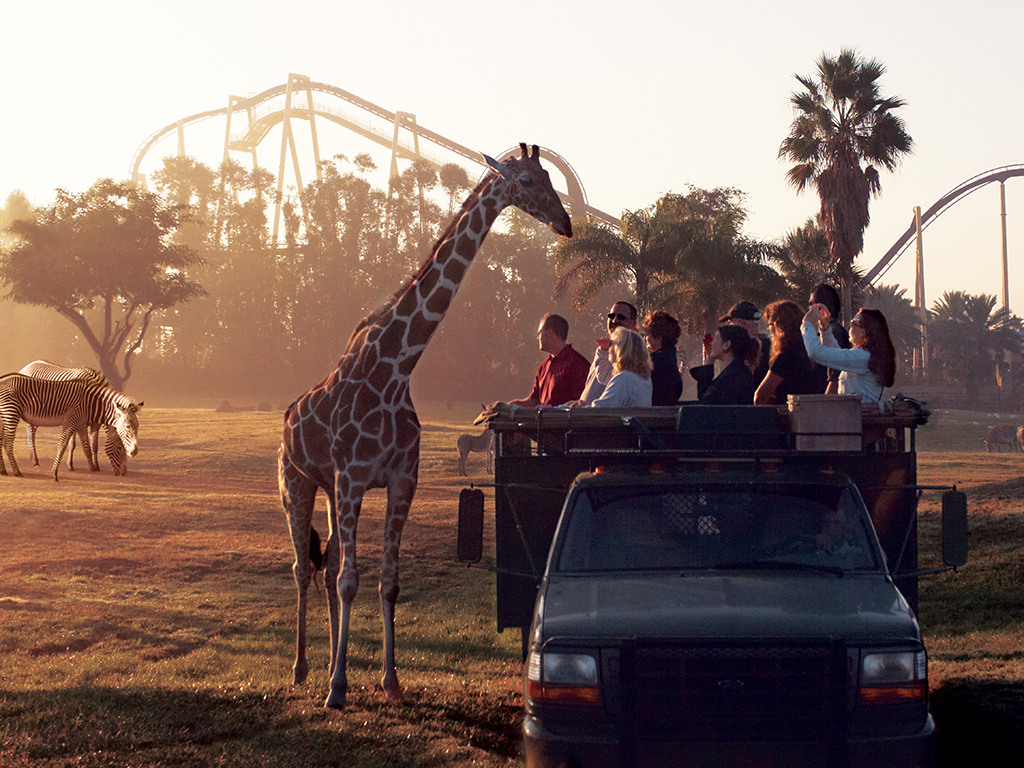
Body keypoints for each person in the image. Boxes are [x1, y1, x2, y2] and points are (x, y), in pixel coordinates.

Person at [801, 305, 896, 403]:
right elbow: (836, 354)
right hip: (858, 415)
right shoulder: (865, 357)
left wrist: (807, 323)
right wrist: (825, 329)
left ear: (863, 331)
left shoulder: (862, 358)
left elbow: (816, 353)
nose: (848, 327)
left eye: (853, 323)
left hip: (857, 417)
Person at [508, 313, 591, 407]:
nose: (538, 338)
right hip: (542, 422)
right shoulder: (544, 366)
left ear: (550, 333)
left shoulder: (577, 364)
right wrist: (514, 405)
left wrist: (554, 411)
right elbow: (535, 401)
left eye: (539, 333)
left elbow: (584, 404)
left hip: (564, 422)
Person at [571, 301, 638, 406]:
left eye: (621, 317)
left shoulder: (633, 354)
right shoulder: (603, 350)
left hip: (605, 418)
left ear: (632, 323)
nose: (615, 320)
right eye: (611, 316)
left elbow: (611, 388)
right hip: (586, 417)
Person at [753, 300, 819, 405]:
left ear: (778, 327)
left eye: (770, 325)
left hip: (792, 418)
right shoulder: (813, 352)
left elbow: (760, 397)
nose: (769, 330)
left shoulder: (784, 358)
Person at [690, 324, 759, 404]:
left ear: (726, 345)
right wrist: (710, 358)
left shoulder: (732, 377)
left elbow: (707, 403)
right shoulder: (737, 371)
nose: (711, 343)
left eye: (716, 338)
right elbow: (704, 396)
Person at [589, 328, 653, 407]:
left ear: (620, 349)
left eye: (611, 344)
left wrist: (574, 410)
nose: (609, 348)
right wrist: (603, 350)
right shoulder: (645, 379)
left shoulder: (624, 378)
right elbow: (603, 377)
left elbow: (601, 409)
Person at [808, 283, 851, 394]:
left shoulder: (834, 332)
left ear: (820, 307)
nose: (809, 308)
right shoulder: (833, 330)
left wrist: (823, 408)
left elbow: (835, 379)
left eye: (812, 304)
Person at [720, 300, 770, 385]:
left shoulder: (762, 348)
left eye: (730, 322)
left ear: (740, 322)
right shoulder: (770, 345)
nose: (729, 326)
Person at [641, 310, 683, 405]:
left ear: (659, 338)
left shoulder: (655, 362)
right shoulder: (670, 359)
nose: (645, 338)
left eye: (648, 334)